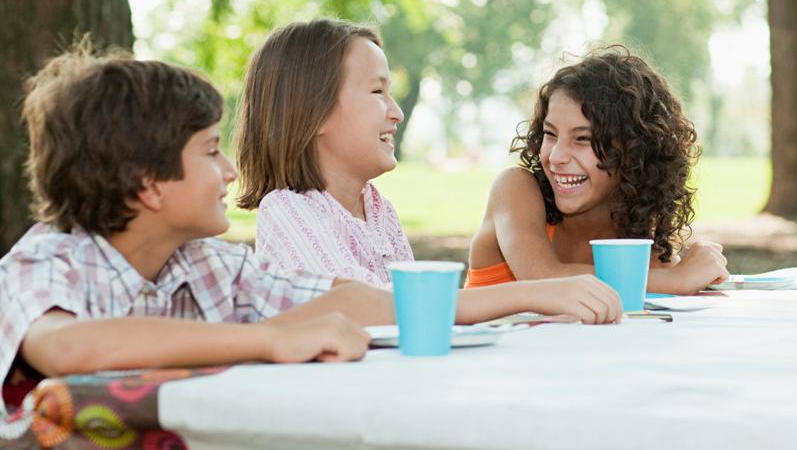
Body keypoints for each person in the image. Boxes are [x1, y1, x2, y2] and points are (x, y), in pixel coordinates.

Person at [0, 40, 391, 414]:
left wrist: (448, 302)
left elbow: (354, 301)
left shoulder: (212, 265)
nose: (231, 171)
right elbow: (65, 348)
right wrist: (272, 339)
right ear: (149, 183)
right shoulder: (42, 264)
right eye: (210, 151)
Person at [234, 19, 622, 325]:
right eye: (377, 92)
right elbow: (384, 308)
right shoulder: (286, 211)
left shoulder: (377, 209)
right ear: (313, 112)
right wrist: (533, 293)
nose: (396, 111)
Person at [467, 46, 729, 294]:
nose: (556, 156)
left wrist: (690, 272)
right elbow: (543, 277)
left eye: (582, 139)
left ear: (634, 152)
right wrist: (677, 279)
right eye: (550, 134)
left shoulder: (642, 248)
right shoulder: (516, 189)